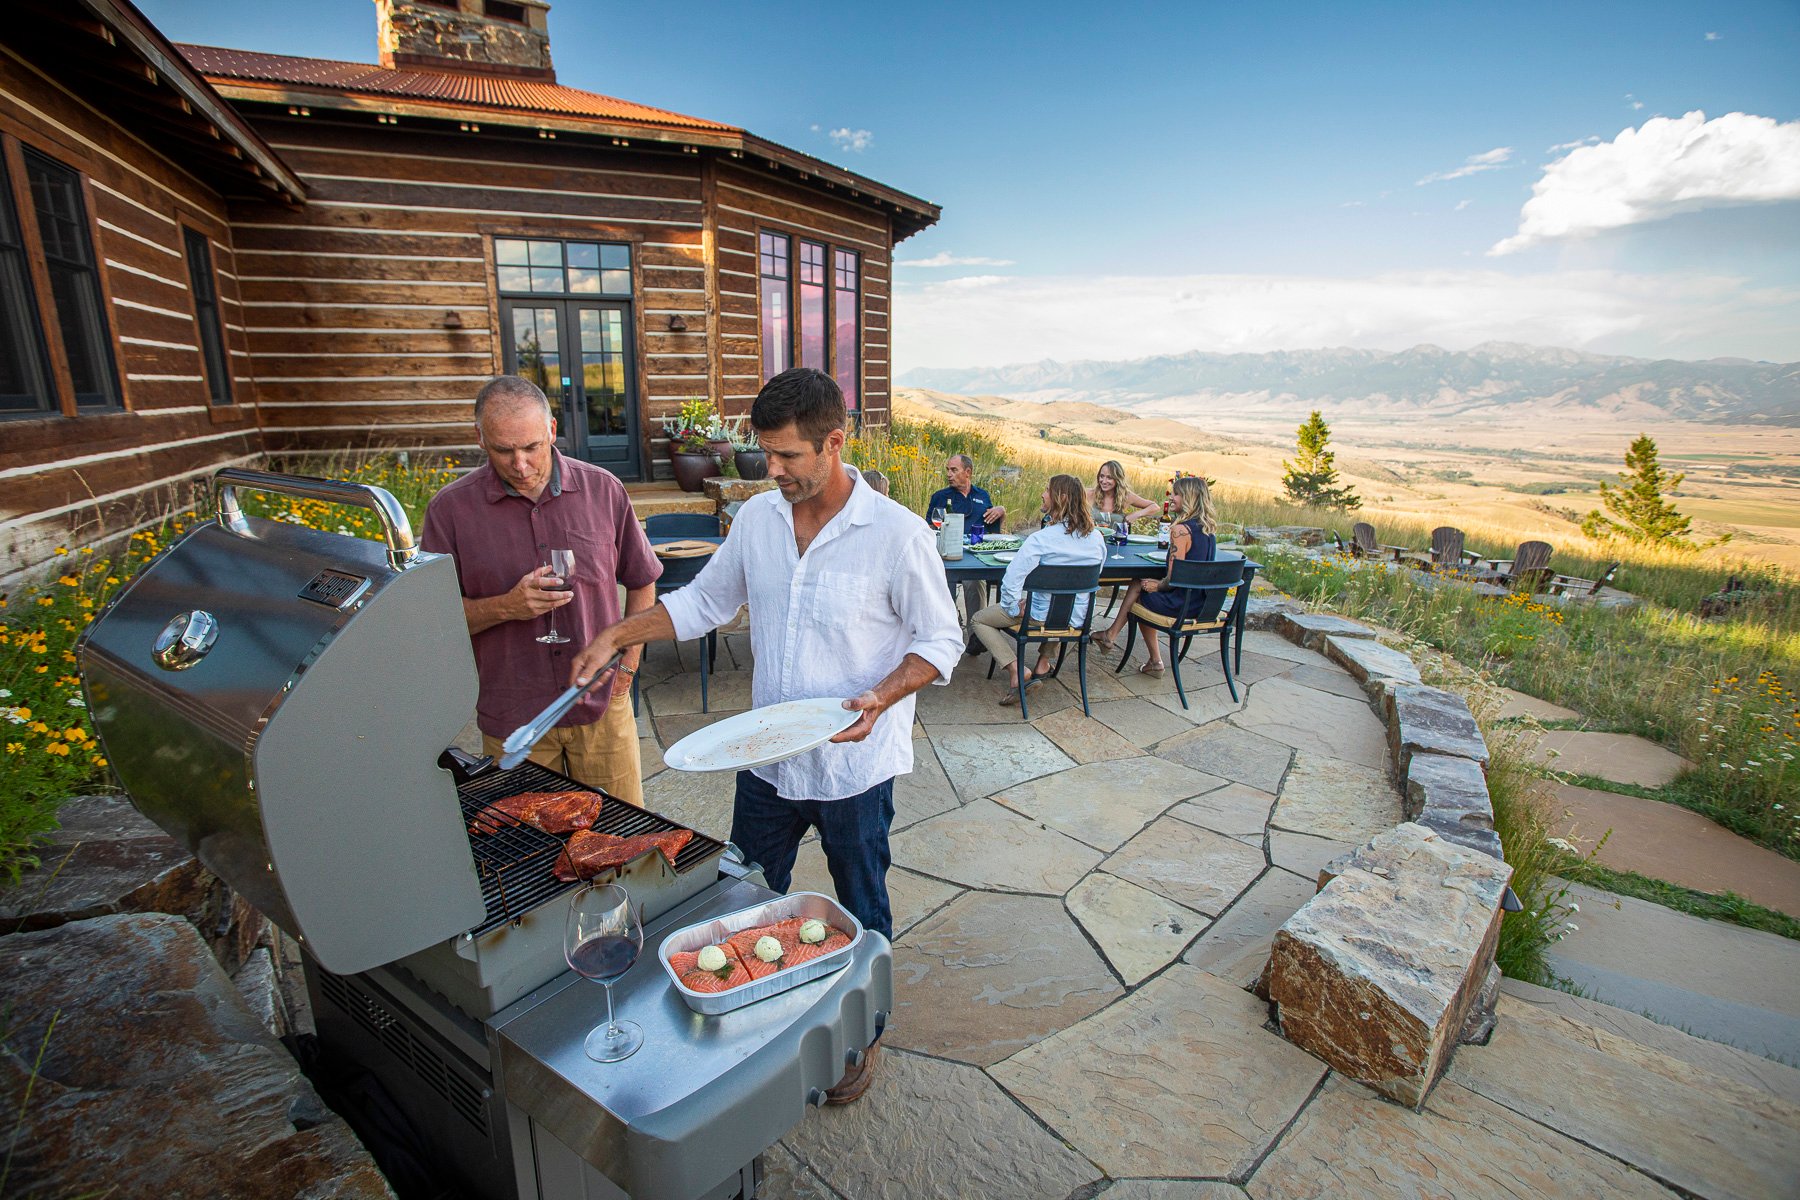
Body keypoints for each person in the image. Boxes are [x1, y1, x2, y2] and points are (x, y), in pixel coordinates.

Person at [570, 368, 961, 1103]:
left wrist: (882, 695)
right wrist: (621, 632)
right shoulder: (757, 520)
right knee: (741, 899)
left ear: (835, 443)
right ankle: (741, 1020)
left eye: (786, 456)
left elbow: (941, 641)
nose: (768, 469)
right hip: (769, 765)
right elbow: (705, 603)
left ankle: (863, 1035)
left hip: (856, 770)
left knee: (862, 905)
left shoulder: (897, 536)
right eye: (765, 453)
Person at [421, 376, 660, 805]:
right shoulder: (450, 511)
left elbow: (642, 580)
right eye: (503, 449)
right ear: (480, 438)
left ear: (551, 431)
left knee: (621, 843)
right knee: (530, 853)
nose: (520, 463)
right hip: (513, 716)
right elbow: (433, 621)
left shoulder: (603, 490)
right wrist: (505, 607)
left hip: (600, 707)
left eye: (531, 447)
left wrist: (627, 670)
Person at [969, 474, 1107, 705]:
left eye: (1046, 490)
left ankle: (1017, 670)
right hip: (1077, 619)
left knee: (979, 620)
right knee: (1061, 607)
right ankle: (1043, 663)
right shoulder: (1097, 539)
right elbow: (1094, 575)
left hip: (1039, 616)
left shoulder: (1040, 540)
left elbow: (1012, 579)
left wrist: (1014, 608)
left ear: (1059, 498)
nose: (1042, 494)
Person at [1092, 474, 1218, 673]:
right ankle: (1122, 642)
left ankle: (1148, 655)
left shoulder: (1180, 531)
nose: (1171, 498)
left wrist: (1158, 585)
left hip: (1182, 604)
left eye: (1176, 494)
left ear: (1188, 498)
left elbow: (1176, 577)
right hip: (1201, 603)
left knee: (1141, 593)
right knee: (1138, 584)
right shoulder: (1208, 530)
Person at [926, 453, 1008, 649]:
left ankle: (976, 635)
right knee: (944, 581)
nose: (949, 474)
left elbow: (993, 530)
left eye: (954, 470)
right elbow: (929, 527)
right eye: (948, 470)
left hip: (974, 556)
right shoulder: (940, 497)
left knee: (974, 581)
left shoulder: (982, 496)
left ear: (968, 472)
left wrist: (1001, 512)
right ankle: (942, 633)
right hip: (947, 555)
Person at [1089, 459, 1160, 528]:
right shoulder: (1090, 494)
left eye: (1109, 478)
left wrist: (1136, 515)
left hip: (1117, 539)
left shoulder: (1126, 496)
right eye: (1101, 476)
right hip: (1092, 539)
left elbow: (1155, 507)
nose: (1104, 481)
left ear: (1118, 479)